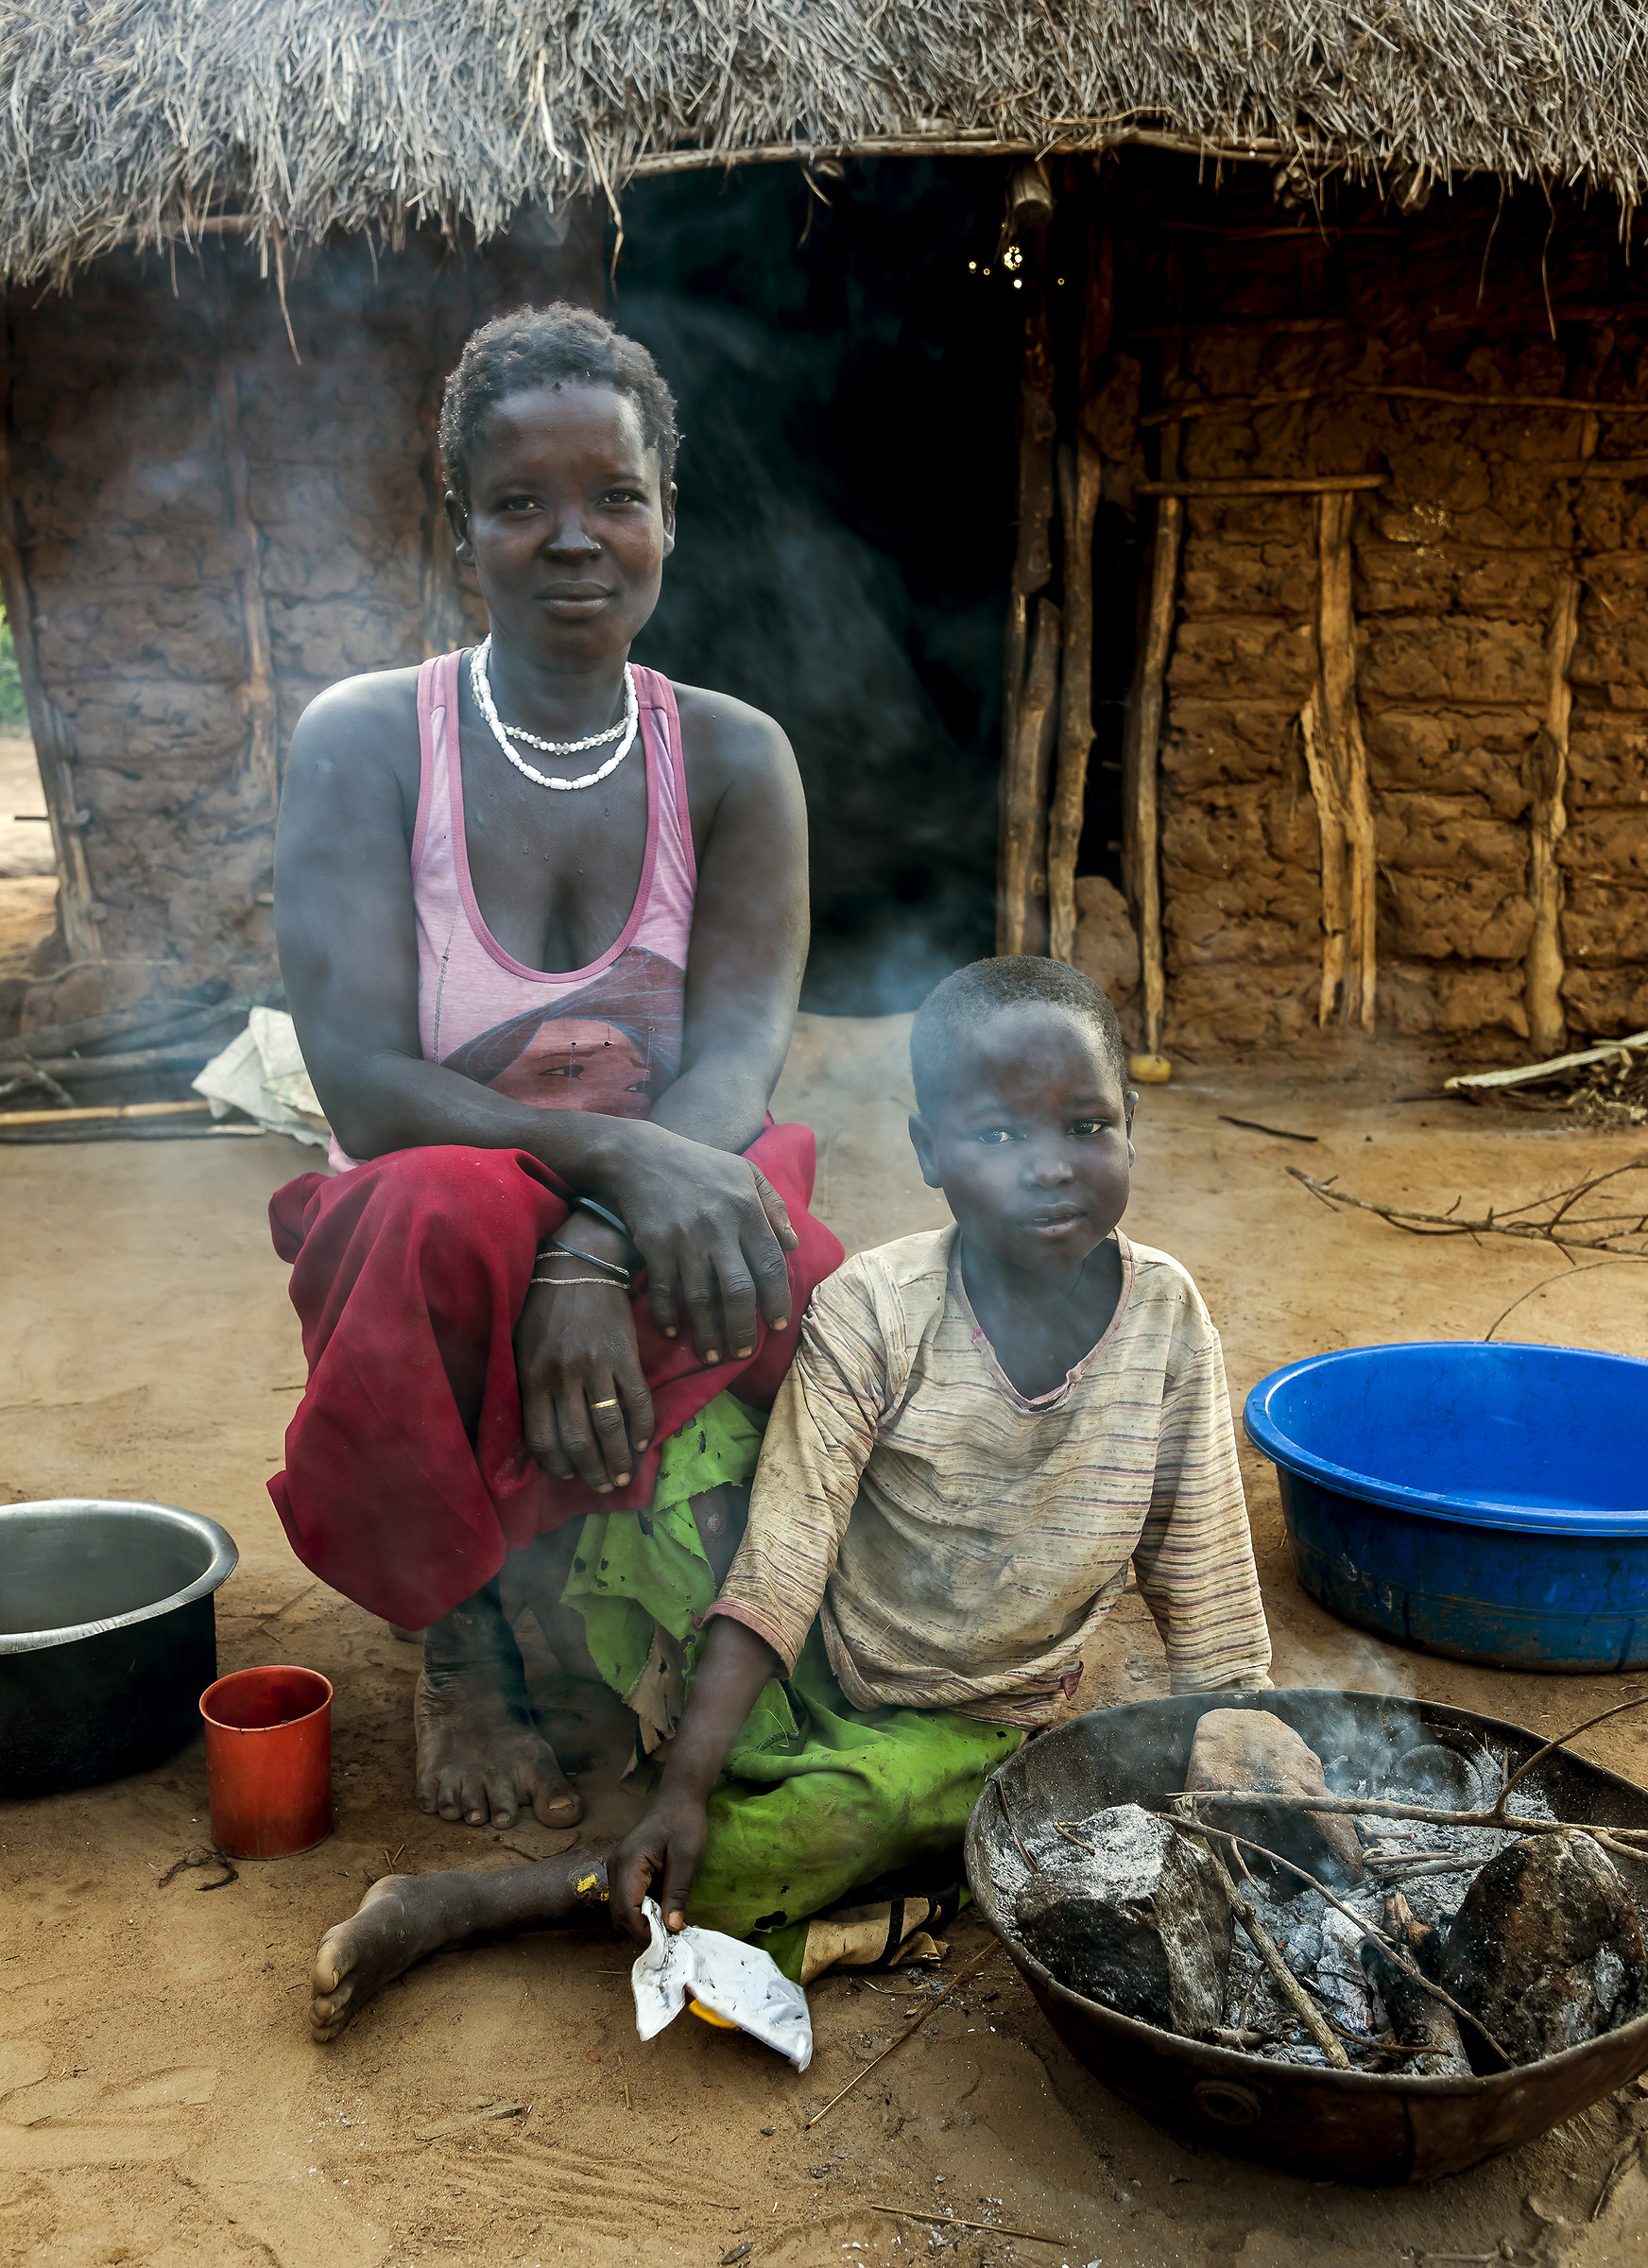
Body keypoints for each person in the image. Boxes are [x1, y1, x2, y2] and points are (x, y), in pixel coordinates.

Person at [305, 955, 1273, 2041]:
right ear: (927, 1152)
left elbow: (1199, 1551)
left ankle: (472, 1903)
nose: (1049, 1167)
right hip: (811, 1648)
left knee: (832, 1822)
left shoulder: (1166, 1319)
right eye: (999, 1134)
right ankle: (782, 1838)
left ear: (1131, 1120)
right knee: (673, 1474)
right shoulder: (877, 1308)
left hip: (974, 1718)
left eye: (1087, 1127)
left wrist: (1235, 1711)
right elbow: (783, 1560)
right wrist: (684, 1786)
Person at [269, 303, 844, 1839]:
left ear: (669, 519)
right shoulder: (366, 743)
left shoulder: (733, 757)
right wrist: (612, 1168)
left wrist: (593, 1244)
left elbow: (736, 1057)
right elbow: (360, 1082)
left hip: (654, 1194)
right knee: (428, 1216)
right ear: (461, 530)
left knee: (806, 1264)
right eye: (522, 502)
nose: (574, 538)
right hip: (448, 1197)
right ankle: (464, 1637)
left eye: (615, 498)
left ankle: (713, 1593)